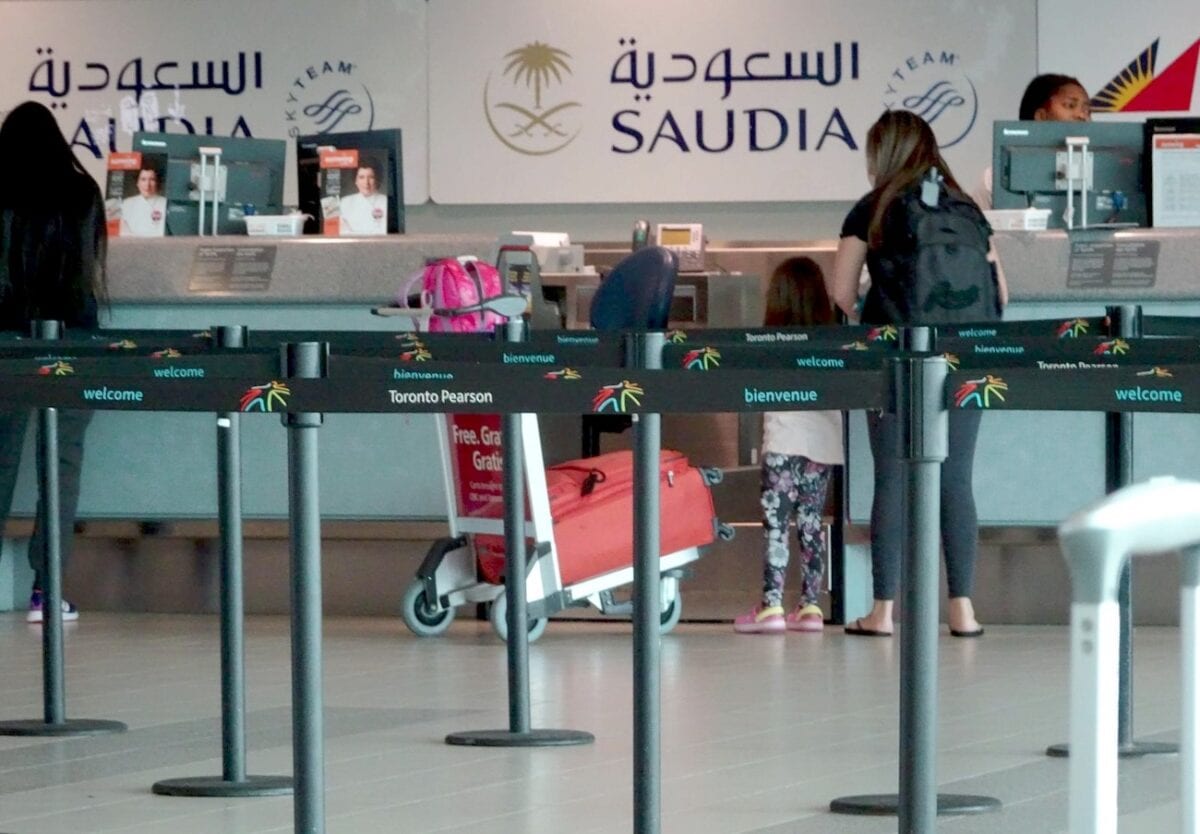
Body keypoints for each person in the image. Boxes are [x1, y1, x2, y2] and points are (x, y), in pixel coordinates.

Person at [829, 110, 1007, 638]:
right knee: (956, 478)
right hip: (967, 359)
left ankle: (883, 610)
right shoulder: (967, 208)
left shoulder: (873, 208)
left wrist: (875, 299)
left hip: (896, 357)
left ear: (880, 155)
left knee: (892, 477)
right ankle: (963, 610)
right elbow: (1002, 294)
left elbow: (840, 293)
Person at [0, 101, 107, 624]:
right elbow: (86, 276)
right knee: (62, 468)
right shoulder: (82, 192)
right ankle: (48, 590)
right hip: (73, 345)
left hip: (5, 346)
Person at [733, 257, 844, 634]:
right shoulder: (833, 342)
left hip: (782, 440)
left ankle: (772, 606)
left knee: (777, 527)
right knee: (812, 525)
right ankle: (811, 607)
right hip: (824, 443)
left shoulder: (768, 342)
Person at [975, 74, 1092, 208]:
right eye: (1070, 105)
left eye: (1087, 110)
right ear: (1041, 116)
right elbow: (973, 227)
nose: (1082, 116)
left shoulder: (1100, 173)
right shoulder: (995, 179)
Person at [338, 163, 387, 236]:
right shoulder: (344, 202)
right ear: (356, 181)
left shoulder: (385, 201)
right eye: (361, 177)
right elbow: (342, 232)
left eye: (371, 177)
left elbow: (384, 232)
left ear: (377, 180)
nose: (366, 183)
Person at [119, 165, 167, 236]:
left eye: (152, 180)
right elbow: (123, 232)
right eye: (143, 179)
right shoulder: (126, 203)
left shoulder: (165, 203)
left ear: (157, 183)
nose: (147, 185)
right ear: (137, 183)